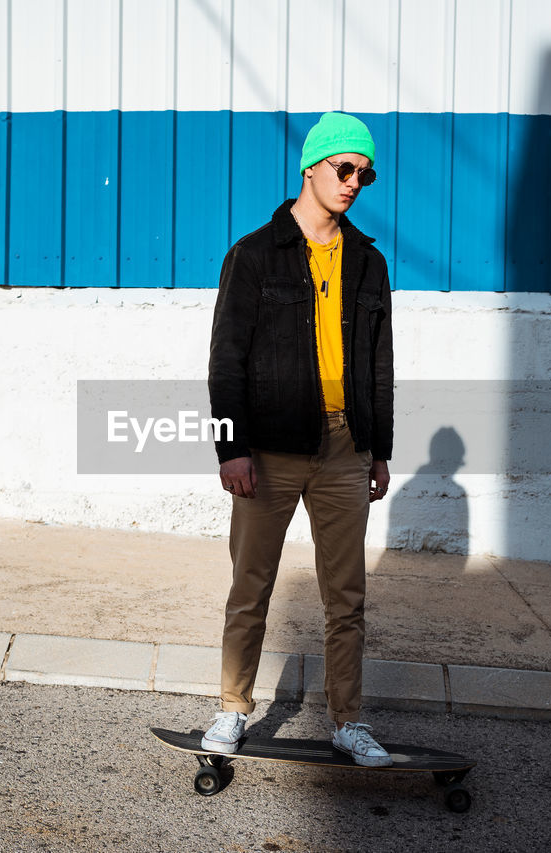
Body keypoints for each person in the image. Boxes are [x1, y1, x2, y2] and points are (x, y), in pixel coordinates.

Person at [204, 112, 394, 766]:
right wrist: (230, 448)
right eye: (345, 168)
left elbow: (378, 364)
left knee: (347, 596)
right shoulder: (255, 255)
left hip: (346, 449)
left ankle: (348, 720)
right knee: (250, 585)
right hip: (269, 449)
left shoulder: (369, 262)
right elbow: (226, 359)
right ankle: (233, 709)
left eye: (363, 174)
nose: (354, 182)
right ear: (311, 166)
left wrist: (381, 448)